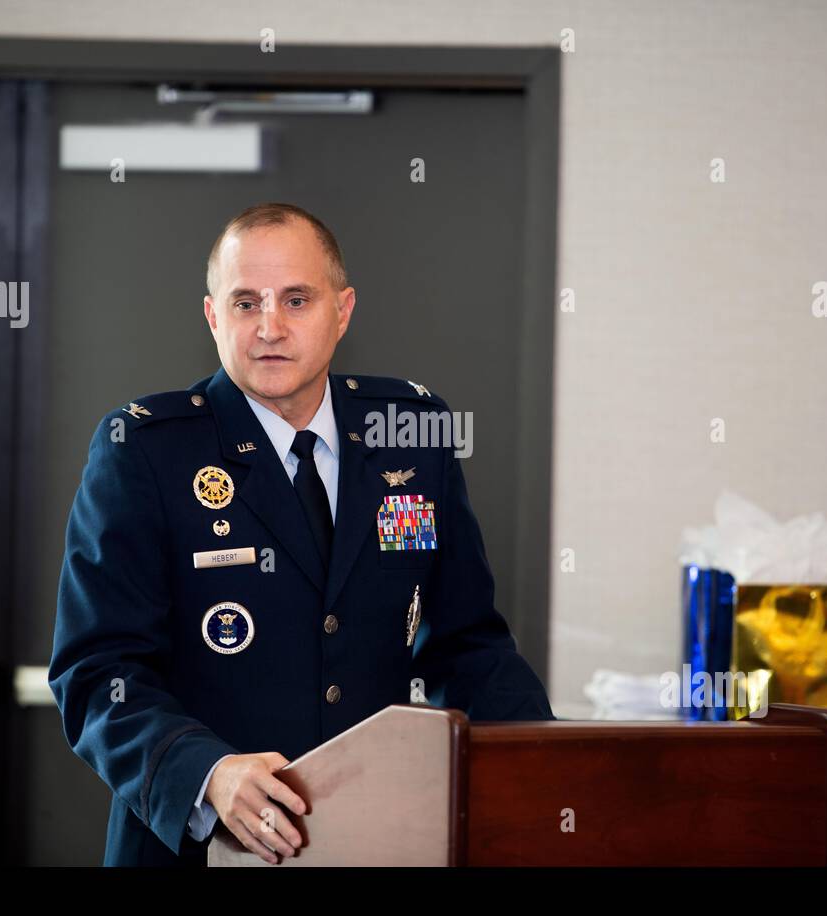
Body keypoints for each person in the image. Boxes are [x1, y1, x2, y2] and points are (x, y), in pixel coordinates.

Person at [49, 202, 553, 867]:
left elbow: (467, 644)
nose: (269, 328)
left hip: (376, 840)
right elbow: (97, 672)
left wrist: (548, 768)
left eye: (295, 300)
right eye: (245, 302)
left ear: (342, 311)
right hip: (203, 848)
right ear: (213, 317)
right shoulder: (145, 452)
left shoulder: (410, 431)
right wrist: (207, 772)